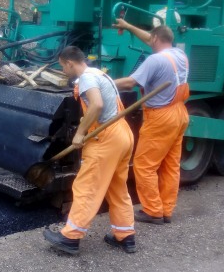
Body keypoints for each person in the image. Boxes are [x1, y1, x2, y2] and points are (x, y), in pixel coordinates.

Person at [43, 46, 136, 255]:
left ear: (69, 63)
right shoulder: (100, 74)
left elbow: (97, 104)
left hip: (106, 139)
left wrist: (80, 133)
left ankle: (70, 237)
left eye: (63, 67)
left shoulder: (86, 78)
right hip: (122, 134)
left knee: (87, 187)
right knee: (117, 187)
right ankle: (125, 236)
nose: (64, 71)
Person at [113, 20, 189, 225]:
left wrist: (103, 81)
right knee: (170, 166)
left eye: (151, 39)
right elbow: (151, 37)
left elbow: (130, 83)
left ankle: (153, 211)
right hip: (180, 112)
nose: (149, 40)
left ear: (155, 39)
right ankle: (166, 209)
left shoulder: (155, 61)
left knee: (144, 165)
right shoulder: (180, 55)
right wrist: (129, 26)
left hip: (161, 117)